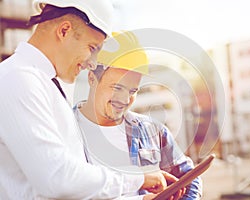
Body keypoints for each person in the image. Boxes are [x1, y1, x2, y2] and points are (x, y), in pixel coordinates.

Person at [0, 1, 176, 199]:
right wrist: (138, 180)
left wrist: (141, 199)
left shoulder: (46, 85)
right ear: (64, 30)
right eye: (92, 47)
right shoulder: (18, 79)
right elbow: (58, 179)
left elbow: (72, 191)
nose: (92, 63)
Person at [73, 31, 203, 199]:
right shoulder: (65, 129)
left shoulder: (152, 131)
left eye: (133, 91)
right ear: (92, 78)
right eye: (117, 87)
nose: (125, 99)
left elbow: (189, 177)